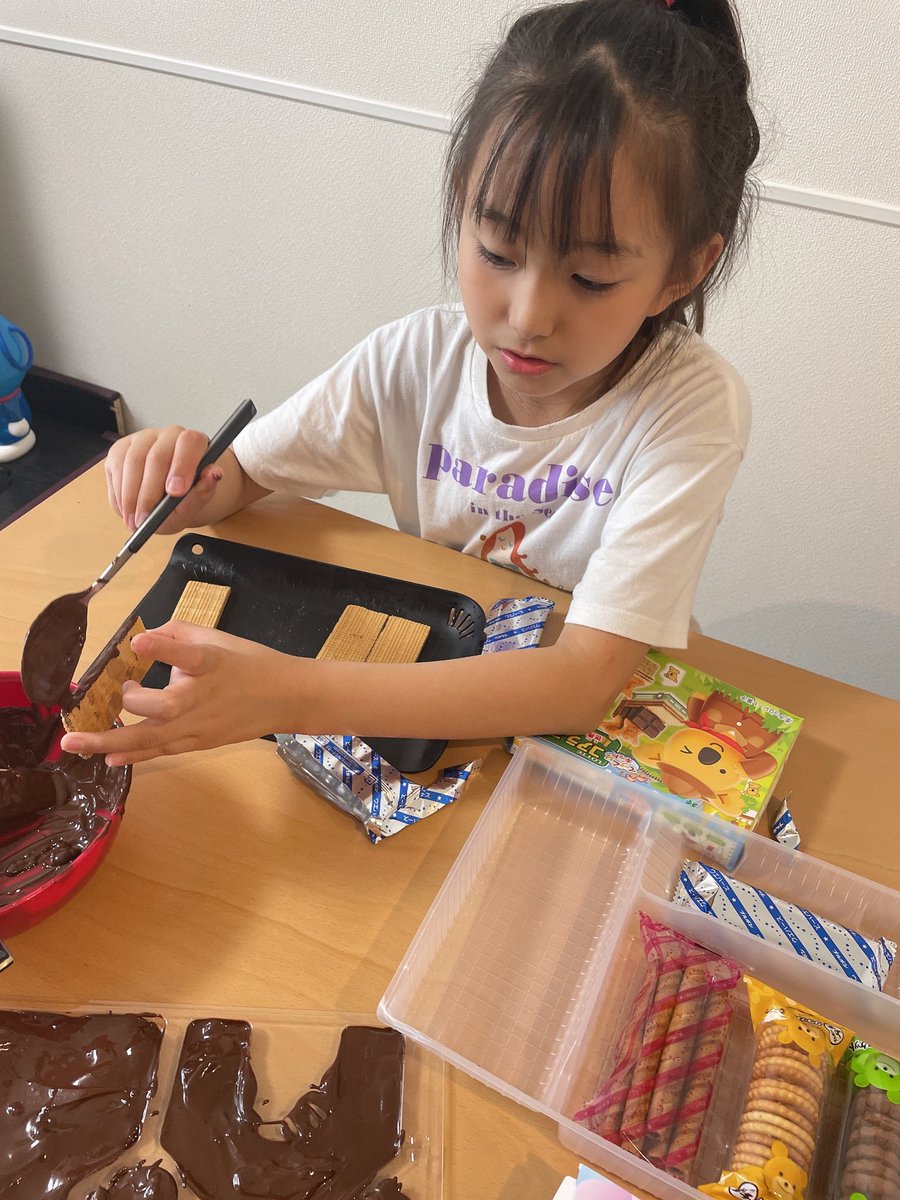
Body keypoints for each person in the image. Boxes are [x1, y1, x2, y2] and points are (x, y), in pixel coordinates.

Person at [61, 0, 759, 767]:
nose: (528, 318)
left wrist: (292, 694)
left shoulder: (689, 409)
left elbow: (584, 682)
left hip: (567, 748)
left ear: (682, 271)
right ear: (462, 200)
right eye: (498, 253)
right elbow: (243, 475)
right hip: (429, 703)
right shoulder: (417, 359)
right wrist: (180, 479)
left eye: (590, 278)